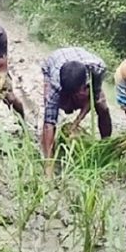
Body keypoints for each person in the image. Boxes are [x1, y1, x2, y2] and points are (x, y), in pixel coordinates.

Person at [41, 47, 112, 176]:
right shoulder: (56, 82)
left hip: (82, 62)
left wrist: (76, 123)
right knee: (53, 106)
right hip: (53, 62)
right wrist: (48, 167)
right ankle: (48, 155)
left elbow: (93, 97)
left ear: (84, 85)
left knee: (103, 107)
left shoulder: (97, 70)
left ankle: (106, 145)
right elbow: (48, 123)